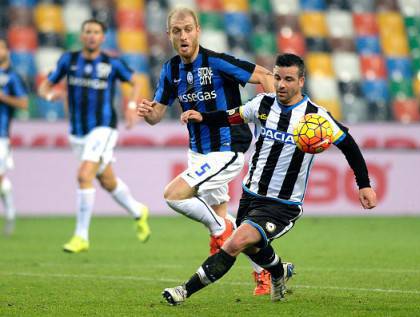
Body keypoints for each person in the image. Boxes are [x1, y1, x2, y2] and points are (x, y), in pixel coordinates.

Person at [162, 53, 377, 305]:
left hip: (282, 205)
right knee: (254, 248)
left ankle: (183, 291)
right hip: (250, 195)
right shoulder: (263, 104)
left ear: (301, 81)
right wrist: (204, 117)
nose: (282, 84)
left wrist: (363, 184)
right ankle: (279, 272)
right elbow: (233, 116)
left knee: (236, 242)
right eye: (277, 78)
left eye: (288, 79)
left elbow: (349, 145)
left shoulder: (316, 117)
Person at [137, 7, 275, 295]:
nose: (183, 35)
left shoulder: (218, 62)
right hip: (198, 152)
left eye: (188, 29)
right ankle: (266, 271)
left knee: (175, 196)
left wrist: (273, 119)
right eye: (177, 31)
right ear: (169, 35)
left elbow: (264, 75)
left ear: (198, 30)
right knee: (226, 218)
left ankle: (220, 232)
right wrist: (148, 113)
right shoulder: (170, 70)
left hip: (227, 149)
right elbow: (157, 115)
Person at [38, 19, 151, 252]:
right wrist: (51, 97)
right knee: (106, 180)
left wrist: (131, 107)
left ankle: (81, 236)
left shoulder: (111, 63)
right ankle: (138, 211)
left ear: (102, 37)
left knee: (84, 175)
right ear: (82, 36)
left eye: (96, 32)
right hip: (77, 133)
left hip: (103, 127)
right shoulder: (68, 60)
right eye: (88, 31)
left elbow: (136, 81)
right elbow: (44, 88)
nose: (91, 36)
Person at [0, 38, 28, 236]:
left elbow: (23, 103)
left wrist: (2, 97)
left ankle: (9, 212)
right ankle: (10, 211)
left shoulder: (12, 77)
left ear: (6, 51)